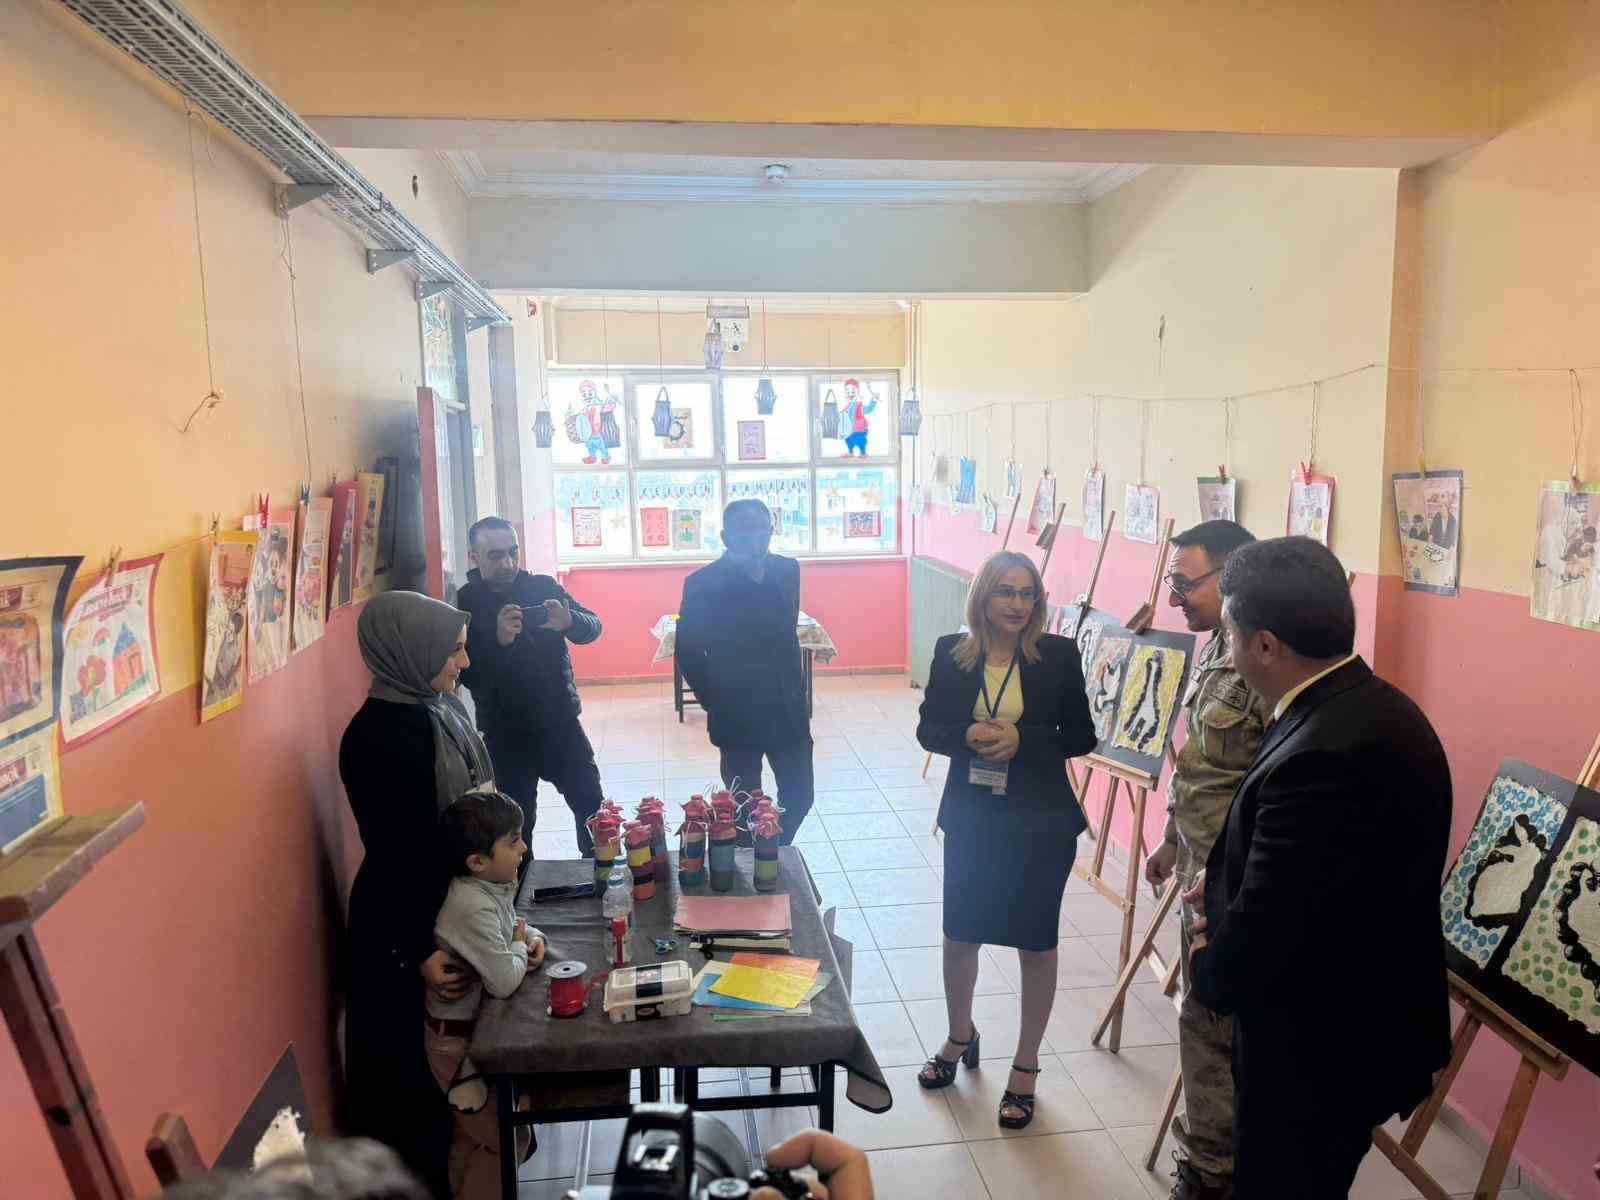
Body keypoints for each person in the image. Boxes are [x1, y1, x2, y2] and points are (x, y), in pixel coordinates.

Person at [1187, 537, 1452, 1200]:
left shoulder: (1324, 750)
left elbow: (1275, 916)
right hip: (1341, 1023)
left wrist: (1207, 966)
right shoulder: (1365, 705)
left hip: (1320, 1047)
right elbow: (1307, 874)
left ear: (1265, 645)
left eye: (1230, 634)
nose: (1227, 648)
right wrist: (1218, 889)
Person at [914, 551, 1096, 1129]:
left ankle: (1025, 1064)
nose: (1018, 604)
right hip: (973, 814)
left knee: (1036, 942)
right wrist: (966, 732)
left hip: (1041, 819)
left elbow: (1082, 735)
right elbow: (929, 727)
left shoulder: (1057, 655)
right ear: (983, 596)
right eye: (1006, 591)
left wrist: (1024, 741)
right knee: (960, 933)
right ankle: (958, 1035)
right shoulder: (952, 651)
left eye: (1028, 593)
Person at [339, 591, 496, 1197]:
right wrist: (419, 949)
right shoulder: (379, 735)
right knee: (410, 1079)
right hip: (403, 922)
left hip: (439, 903)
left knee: (448, 1068)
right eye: (453, 650)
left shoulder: (438, 709)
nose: (463, 662)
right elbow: (398, 854)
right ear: (410, 651)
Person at [1142, 521, 1264, 1200]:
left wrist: (1230, 887)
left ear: (1232, 575)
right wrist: (1170, 839)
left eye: (1184, 583)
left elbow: (1267, 789)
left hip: (1233, 883)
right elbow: (1201, 764)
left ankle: (1212, 1169)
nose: (1173, 598)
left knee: (1212, 1022)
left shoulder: (1265, 663)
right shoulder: (1220, 642)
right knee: (1202, 1016)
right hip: (1198, 868)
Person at [456, 516, 605, 856]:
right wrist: (498, 641)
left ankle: (601, 877)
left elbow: (594, 626)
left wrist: (570, 621)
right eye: (495, 555)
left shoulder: (543, 587)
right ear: (473, 557)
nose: (507, 563)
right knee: (514, 829)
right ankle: (520, 889)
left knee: (594, 814)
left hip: (560, 723)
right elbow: (467, 676)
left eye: (513, 552)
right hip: (505, 734)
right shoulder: (465, 603)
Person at [426, 792, 544, 1199]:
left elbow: (511, 927)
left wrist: (531, 937)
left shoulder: (489, 886)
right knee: (508, 1140)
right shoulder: (471, 906)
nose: (523, 848)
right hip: (457, 1047)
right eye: (513, 841)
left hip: (465, 1034)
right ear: (477, 861)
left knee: (471, 1136)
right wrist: (518, 945)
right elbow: (505, 980)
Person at [677, 500, 814, 842]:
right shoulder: (703, 583)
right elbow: (689, 651)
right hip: (736, 713)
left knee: (800, 795)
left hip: (787, 708)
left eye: (761, 530)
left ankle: (772, 850)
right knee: (743, 808)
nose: (755, 538)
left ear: (771, 531)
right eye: (744, 531)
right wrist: (716, 700)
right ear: (726, 537)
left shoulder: (787, 570)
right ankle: (751, 865)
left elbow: (787, 633)